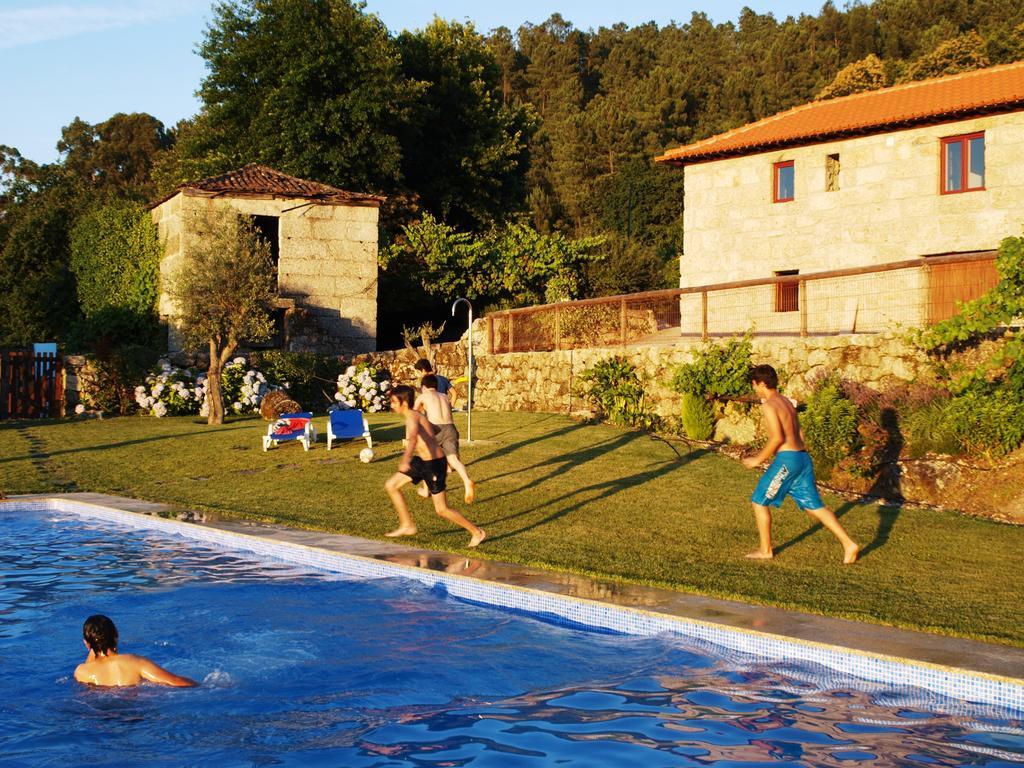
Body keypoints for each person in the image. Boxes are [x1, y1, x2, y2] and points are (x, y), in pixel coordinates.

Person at [742, 364, 859, 565]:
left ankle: (765, 550)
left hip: (788, 461)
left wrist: (757, 460)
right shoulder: (786, 402)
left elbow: (777, 438)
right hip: (803, 458)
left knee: (759, 502)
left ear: (761, 383)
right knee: (814, 506)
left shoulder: (769, 405)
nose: (754, 389)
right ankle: (849, 544)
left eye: (754, 385)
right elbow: (800, 433)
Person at [384, 384, 486, 548]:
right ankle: (407, 525)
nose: (391, 405)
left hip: (434, 465)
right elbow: (434, 428)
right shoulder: (416, 415)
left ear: (403, 402)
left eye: (394, 402)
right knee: (391, 485)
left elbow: (413, 439)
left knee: (442, 510)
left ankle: (477, 532)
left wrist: (405, 459)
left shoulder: (412, 417)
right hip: (422, 462)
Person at [74, 614, 196, 687]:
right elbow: (175, 682)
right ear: (116, 633)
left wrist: (93, 645)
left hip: (99, 719)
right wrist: (205, 686)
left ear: (86, 643)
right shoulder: (135, 662)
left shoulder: (81, 672)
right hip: (134, 713)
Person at [414, 373, 476, 503]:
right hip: (451, 428)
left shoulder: (423, 396)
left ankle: (426, 490)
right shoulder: (444, 396)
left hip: (435, 429)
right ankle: (466, 480)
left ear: (424, 387)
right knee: (453, 460)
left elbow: (414, 414)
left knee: (426, 459)